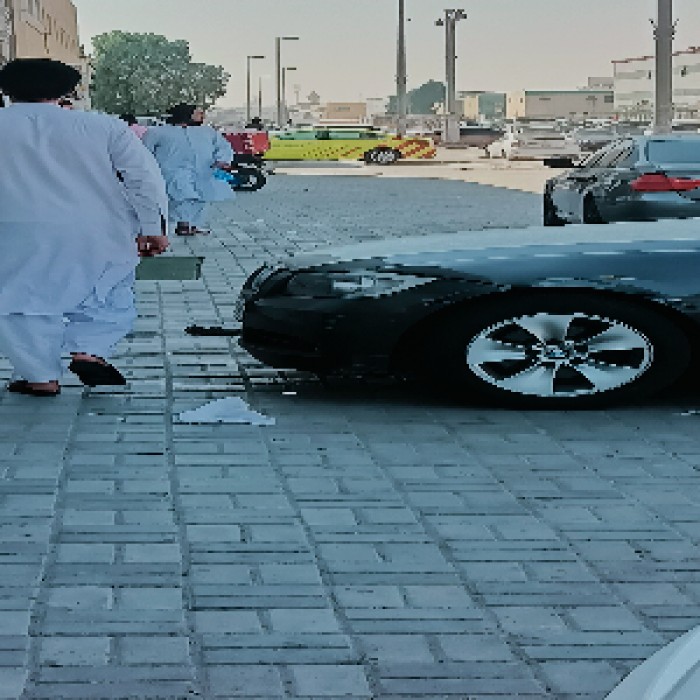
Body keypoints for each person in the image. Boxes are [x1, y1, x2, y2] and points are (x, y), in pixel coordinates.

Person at [0, 58, 169, 397]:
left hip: (14, 228)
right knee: (107, 288)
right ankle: (89, 350)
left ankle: (40, 376)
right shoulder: (103, 126)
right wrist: (153, 227)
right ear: (66, 90)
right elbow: (143, 179)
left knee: (20, 300)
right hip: (98, 226)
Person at [142, 103, 234, 236]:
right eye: (199, 113)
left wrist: (222, 160)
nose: (203, 116)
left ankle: (189, 225)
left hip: (202, 172)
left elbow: (223, 147)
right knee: (182, 198)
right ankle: (174, 226)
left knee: (199, 199)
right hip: (172, 172)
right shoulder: (158, 132)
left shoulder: (207, 132)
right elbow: (144, 151)